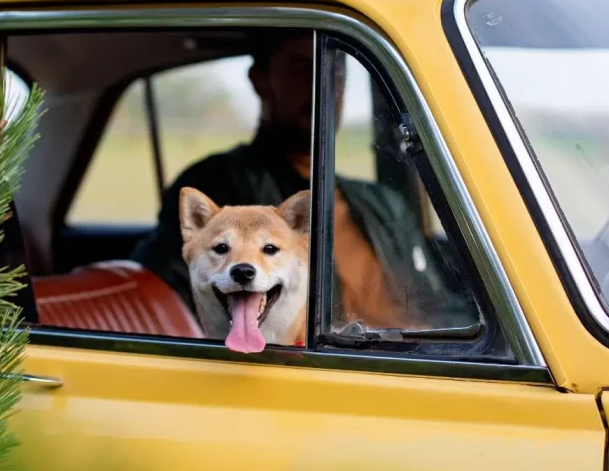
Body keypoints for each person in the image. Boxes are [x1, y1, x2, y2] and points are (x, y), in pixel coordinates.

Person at [130, 29, 465, 332]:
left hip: (414, 361)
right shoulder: (218, 185)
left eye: (335, 69)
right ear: (261, 81)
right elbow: (173, 293)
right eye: (300, 67)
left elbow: (438, 306)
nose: (322, 83)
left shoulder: (383, 202)